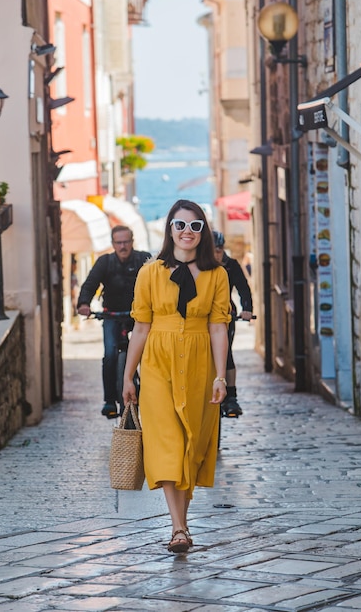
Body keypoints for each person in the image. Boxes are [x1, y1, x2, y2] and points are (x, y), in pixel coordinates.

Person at [122, 200, 230, 554]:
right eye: (180, 225)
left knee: (192, 446)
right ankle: (179, 528)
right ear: (169, 229)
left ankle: (180, 525)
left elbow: (218, 329)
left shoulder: (217, 275)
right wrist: (128, 378)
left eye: (195, 226)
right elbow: (140, 328)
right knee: (167, 442)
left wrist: (221, 377)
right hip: (158, 363)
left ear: (204, 233)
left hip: (200, 363)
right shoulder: (150, 273)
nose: (187, 232)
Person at [77, 226, 151, 419]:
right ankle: (109, 400)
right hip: (112, 315)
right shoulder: (105, 262)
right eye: (118, 243)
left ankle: (152, 395)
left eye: (126, 242)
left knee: (150, 356)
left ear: (132, 241)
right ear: (113, 244)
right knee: (110, 354)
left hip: (140, 317)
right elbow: (90, 284)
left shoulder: (144, 260)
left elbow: (158, 282)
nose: (123, 246)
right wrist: (84, 303)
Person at [212, 230, 253, 418]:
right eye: (212, 250)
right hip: (204, 318)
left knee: (226, 352)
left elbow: (244, 289)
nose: (216, 255)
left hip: (226, 316)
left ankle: (232, 397)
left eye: (219, 250)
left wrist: (247, 309)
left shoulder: (231, 266)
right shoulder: (199, 266)